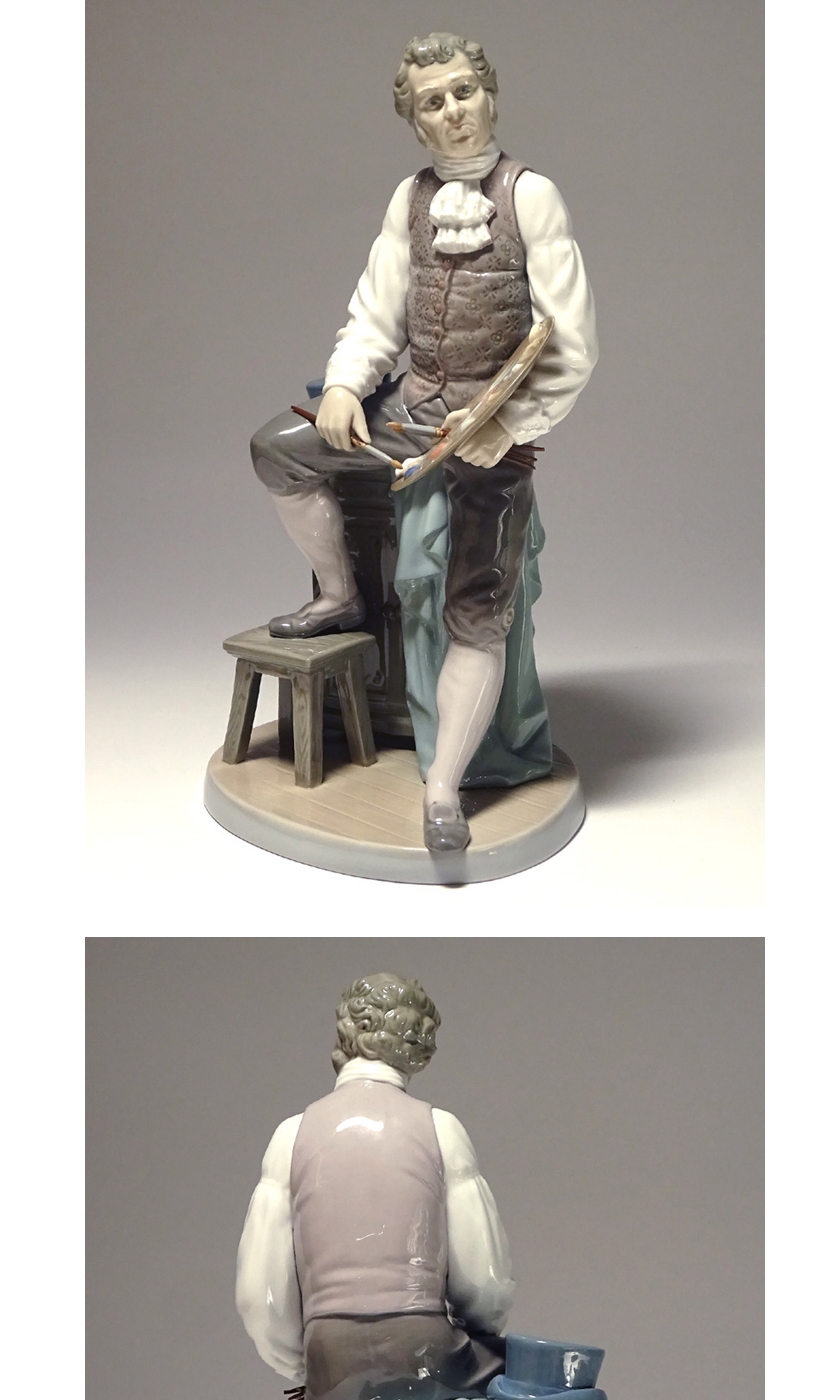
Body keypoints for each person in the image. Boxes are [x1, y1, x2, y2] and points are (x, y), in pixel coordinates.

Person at [264, 33, 597, 862]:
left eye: (463, 92)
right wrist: (347, 384)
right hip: (411, 415)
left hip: (490, 431)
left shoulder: (531, 197)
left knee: (475, 614)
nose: (452, 112)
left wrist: (508, 426)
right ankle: (340, 595)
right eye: (432, 103)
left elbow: (571, 345)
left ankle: (443, 786)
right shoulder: (408, 199)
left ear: (490, 94)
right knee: (280, 451)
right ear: (415, 122)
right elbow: (377, 310)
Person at [235, 975, 513, 1400]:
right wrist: (481, 1332)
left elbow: (260, 1294)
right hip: (424, 1341)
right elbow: (485, 1277)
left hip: (328, 1345)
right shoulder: (440, 1129)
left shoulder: (292, 1135)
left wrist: (300, 1364)